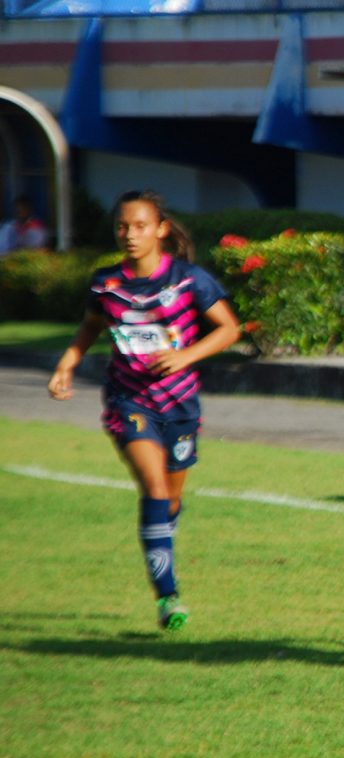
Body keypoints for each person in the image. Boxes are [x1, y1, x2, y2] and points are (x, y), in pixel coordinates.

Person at [47, 190, 241, 631]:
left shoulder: (189, 280)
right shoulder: (105, 283)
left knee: (170, 499)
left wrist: (185, 356)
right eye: (122, 226)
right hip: (128, 400)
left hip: (181, 405)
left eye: (139, 226)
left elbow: (229, 329)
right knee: (153, 489)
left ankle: (161, 541)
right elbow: (91, 326)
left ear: (160, 229)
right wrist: (67, 363)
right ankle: (168, 597)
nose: (130, 235)